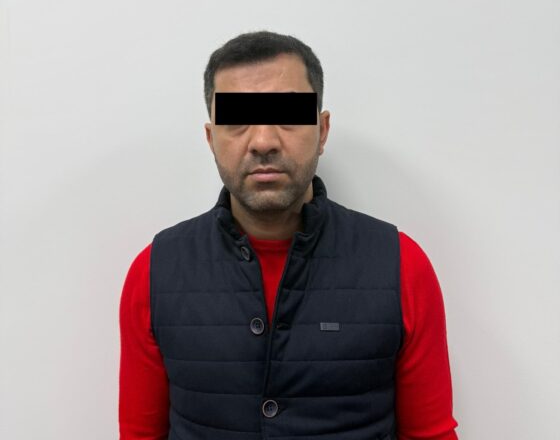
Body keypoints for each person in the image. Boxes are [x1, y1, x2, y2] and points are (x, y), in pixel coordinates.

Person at [119, 30, 460, 439]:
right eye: (238, 120)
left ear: (322, 129)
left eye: (288, 115)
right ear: (211, 138)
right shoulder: (154, 272)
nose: (263, 141)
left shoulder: (402, 266)